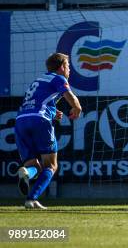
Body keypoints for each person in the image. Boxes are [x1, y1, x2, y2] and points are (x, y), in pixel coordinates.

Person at [15, 53, 82, 209]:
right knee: (51, 166)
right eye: (68, 66)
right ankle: (31, 199)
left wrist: (53, 111)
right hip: (39, 120)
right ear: (61, 67)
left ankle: (26, 172)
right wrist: (77, 107)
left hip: (20, 121)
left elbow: (36, 101)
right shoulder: (58, 78)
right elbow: (69, 95)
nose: (69, 70)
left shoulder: (38, 80)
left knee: (35, 167)